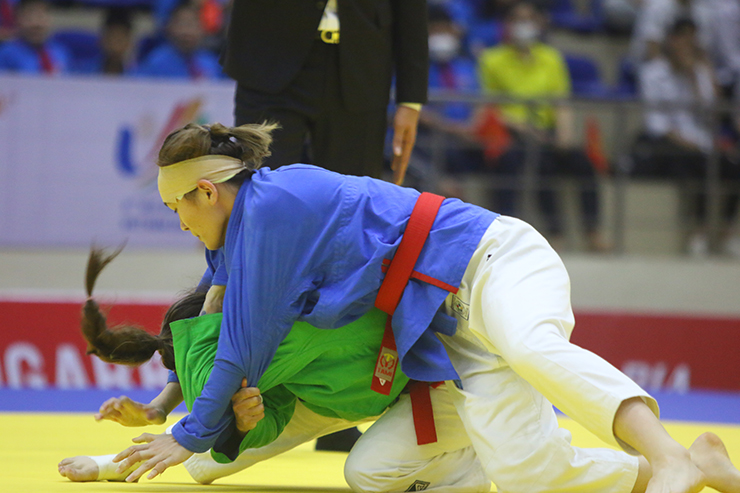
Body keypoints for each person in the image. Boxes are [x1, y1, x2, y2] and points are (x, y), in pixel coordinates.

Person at [106, 121, 740, 493]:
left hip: (488, 259)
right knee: (528, 474)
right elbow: (209, 320)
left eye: (176, 207)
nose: (179, 223)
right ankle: (695, 464)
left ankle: (667, 456)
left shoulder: (269, 209)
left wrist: (187, 436)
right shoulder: (238, 235)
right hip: (448, 327)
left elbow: (241, 345)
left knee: (531, 347)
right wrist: (165, 405)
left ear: (206, 191)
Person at [60, 247, 489, 492]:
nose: (185, 225)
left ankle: (467, 463)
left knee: (366, 475)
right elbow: (211, 359)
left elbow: (207, 367)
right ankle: (122, 462)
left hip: (421, 379)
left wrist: (183, 417)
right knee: (205, 463)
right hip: (334, 389)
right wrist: (231, 421)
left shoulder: (279, 303)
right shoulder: (226, 296)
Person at [220, 0, 427, 183]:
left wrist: (410, 101)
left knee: (352, 200)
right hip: (266, 54)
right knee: (263, 193)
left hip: (363, 62)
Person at [477, 0, 608, 251]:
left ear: (539, 23)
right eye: (517, 20)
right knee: (540, 163)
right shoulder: (491, 59)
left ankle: (593, 231)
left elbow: (561, 101)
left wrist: (564, 135)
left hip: (547, 132)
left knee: (583, 162)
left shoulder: (550, 57)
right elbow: (489, 107)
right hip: (512, 132)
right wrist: (523, 127)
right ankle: (551, 233)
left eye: (529, 20)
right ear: (506, 25)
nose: (523, 26)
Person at [633, 18, 740, 257]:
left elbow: (712, 116)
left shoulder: (698, 72)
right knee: (700, 165)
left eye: (692, 39)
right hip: (667, 143)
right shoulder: (653, 72)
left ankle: (726, 234)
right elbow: (656, 124)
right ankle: (698, 235)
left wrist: (694, 79)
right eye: (682, 38)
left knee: (734, 166)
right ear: (671, 40)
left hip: (700, 141)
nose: (688, 44)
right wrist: (689, 144)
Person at [136, 1, 223, 80]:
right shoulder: (155, 62)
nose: (187, 32)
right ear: (169, 27)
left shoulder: (211, 62)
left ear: (203, 29)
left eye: (192, 24)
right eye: (181, 24)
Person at [0, 0, 69, 74]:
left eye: (41, 16)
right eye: (29, 17)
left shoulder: (61, 52)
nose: (36, 23)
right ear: (18, 20)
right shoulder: (7, 54)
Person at [75, 8, 135, 76]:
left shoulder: (138, 77)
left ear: (129, 43)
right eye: (111, 39)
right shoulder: (82, 73)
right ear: (102, 40)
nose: (115, 47)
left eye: (119, 41)